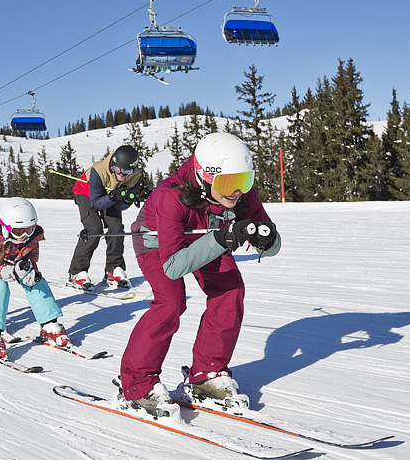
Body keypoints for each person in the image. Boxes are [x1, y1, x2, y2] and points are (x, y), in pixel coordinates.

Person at [117, 132, 281, 418]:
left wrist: (267, 240)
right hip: (156, 243)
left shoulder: (239, 193)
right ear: (204, 176)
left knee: (230, 291)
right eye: (227, 183)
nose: (236, 192)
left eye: (244, 181)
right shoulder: (172, 195)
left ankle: (207, 374)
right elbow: (173, 266)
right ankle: (136, 383)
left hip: (207, 237)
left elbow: (270, 240)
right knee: (170, 302)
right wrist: (221, 238)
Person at [0, 197, 69, 358]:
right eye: (19, 231)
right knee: (0, 287)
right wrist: (8, 271)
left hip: (19, 263)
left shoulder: (33, 237)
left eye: (29, 229)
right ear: (6, 228)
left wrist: (31, 271)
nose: (24, 235)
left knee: (37, 283)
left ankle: (49, 325)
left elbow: (32, 258)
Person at [67, 145, 148, 291]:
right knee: (94, 229)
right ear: (113, 164)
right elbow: (96, 203)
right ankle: (77, 272)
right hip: (86, 193)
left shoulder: (135, 177)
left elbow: (119, 207)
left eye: (126, 171)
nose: (122, 174)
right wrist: (113, 197)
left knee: (116, 228)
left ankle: (114, 268)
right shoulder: (97, 171)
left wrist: (126, 200)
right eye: (118, 169)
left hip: (110, 195)